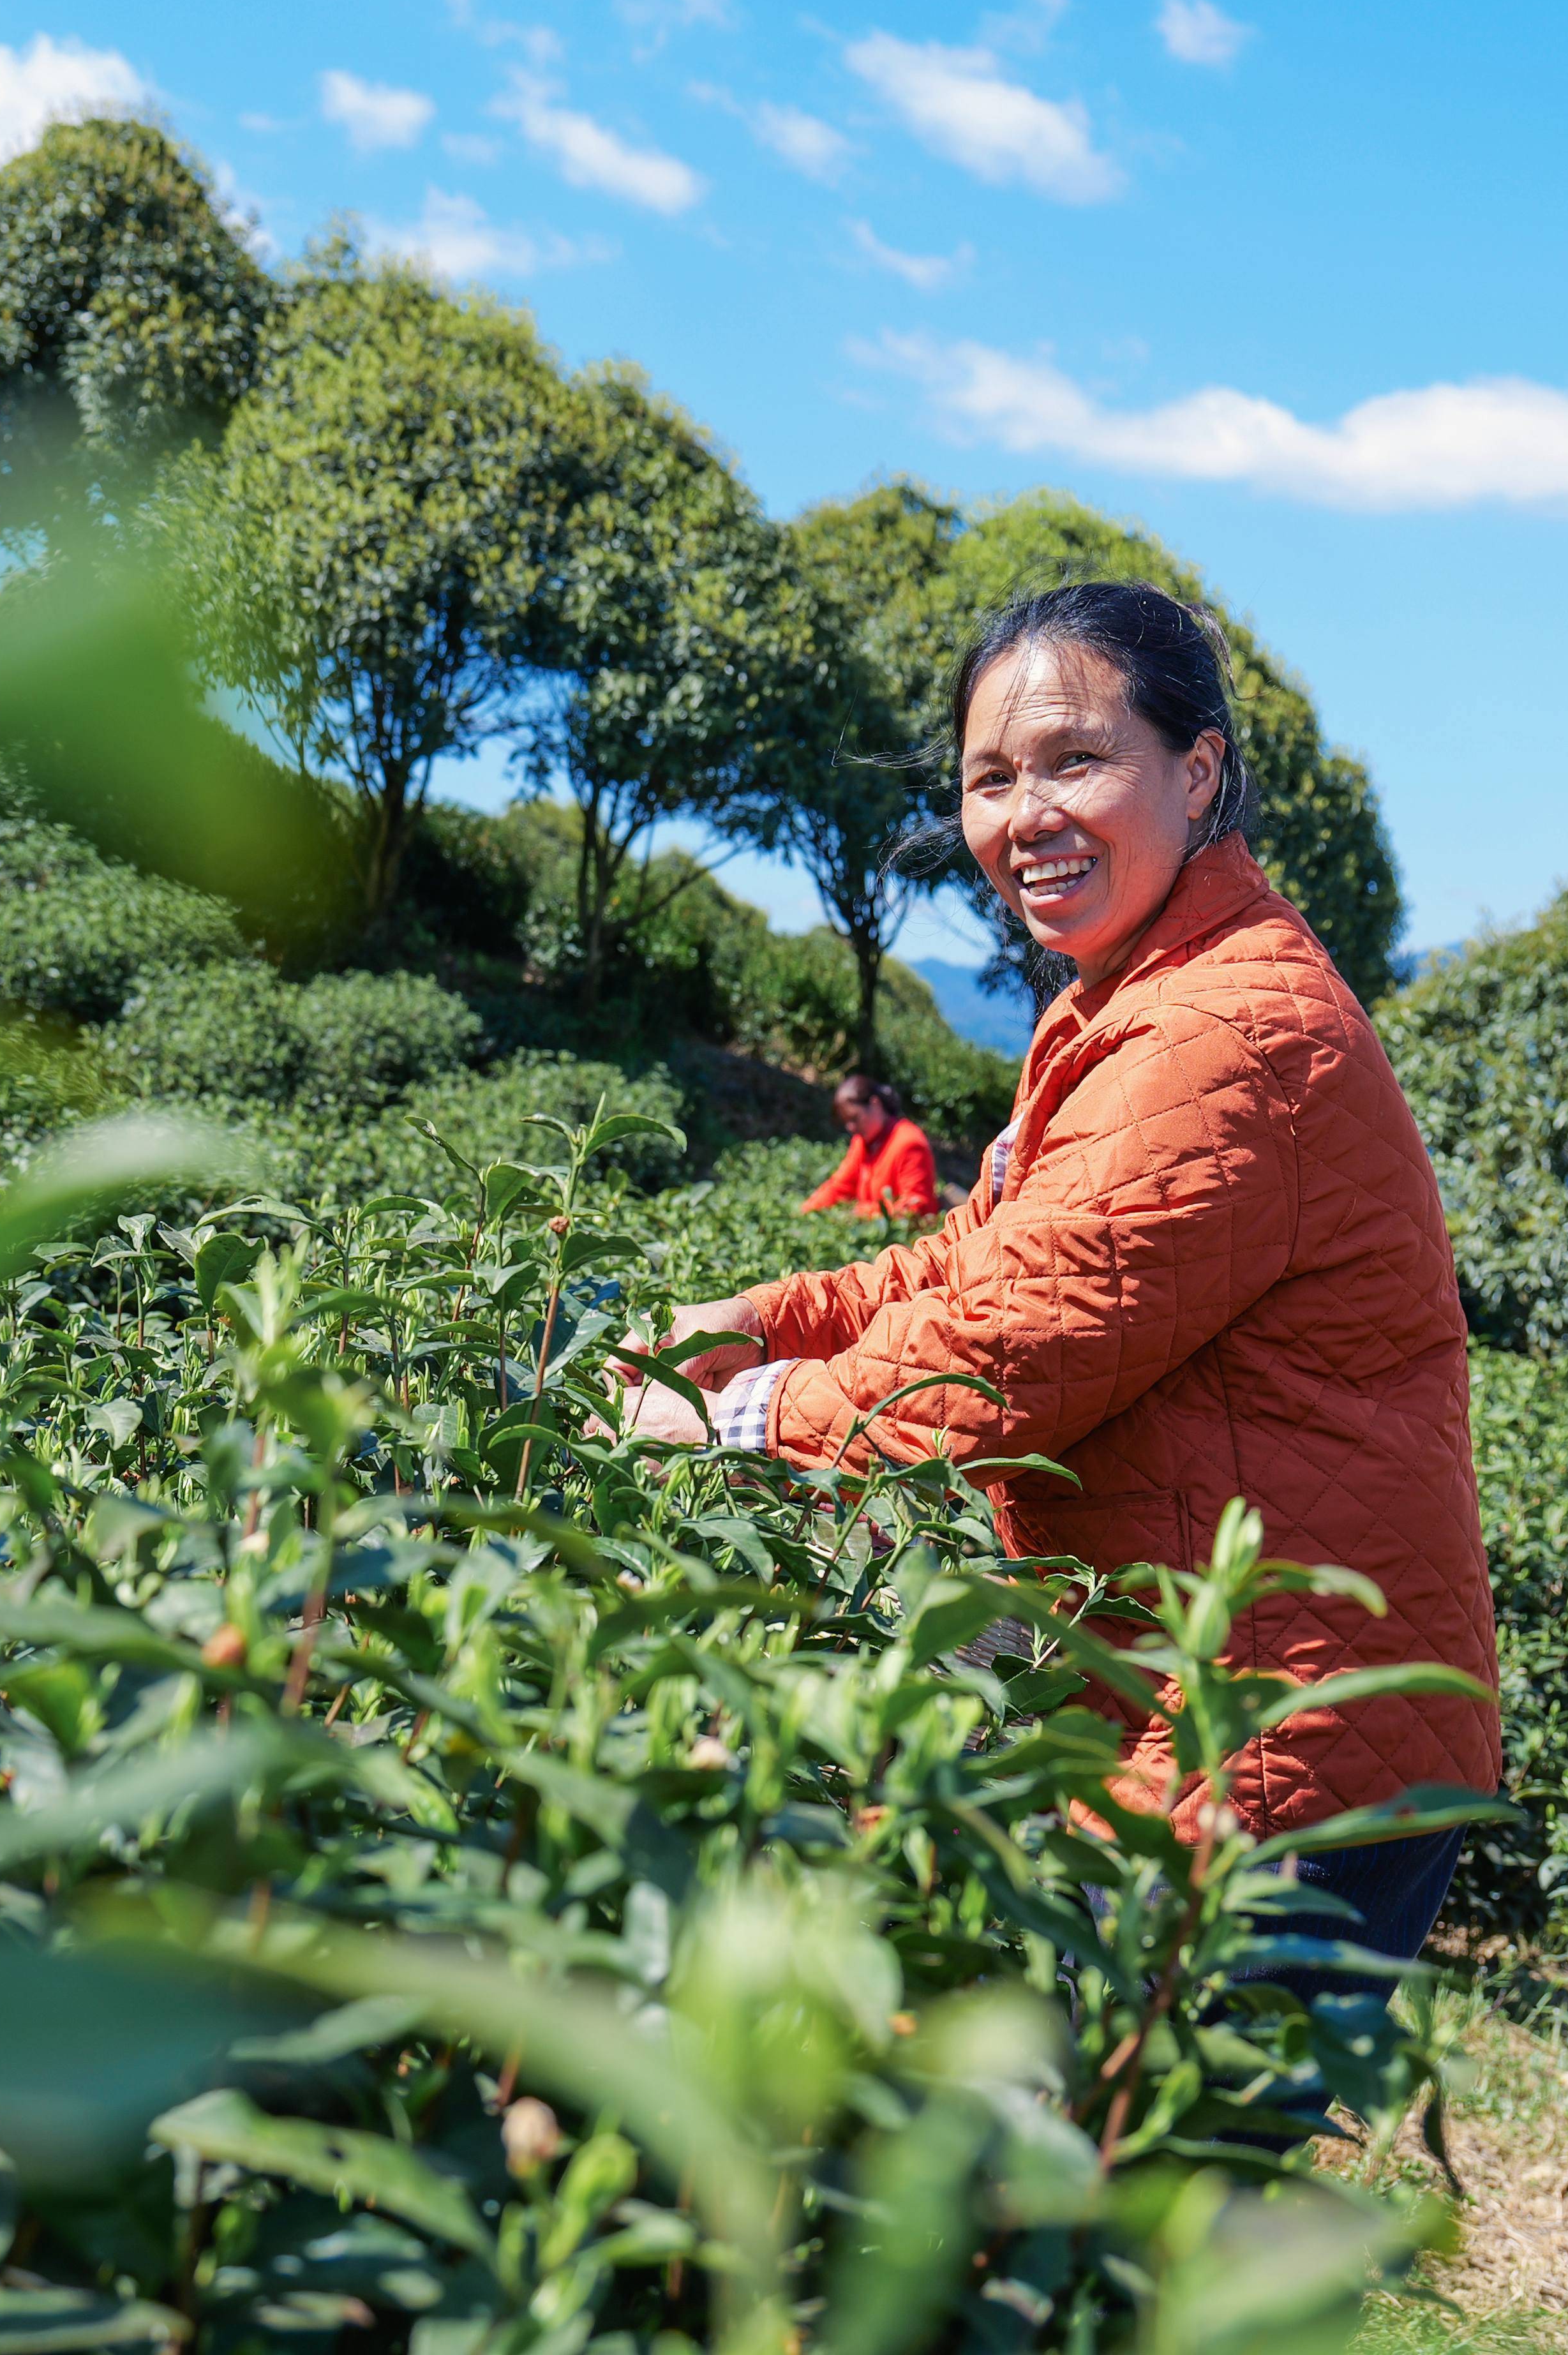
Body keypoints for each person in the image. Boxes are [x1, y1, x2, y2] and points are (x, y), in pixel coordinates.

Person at [624, 581, 1498, 1973]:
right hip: (1206, 1711)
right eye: (990, 779)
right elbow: (991, 1249)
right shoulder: (1130, 995)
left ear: (1197, 771)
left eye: (1075, 760)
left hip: (1269, 1755)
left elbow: (1013, 1341)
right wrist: (762, 1319)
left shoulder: (1219, 1032)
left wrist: (739, 1416)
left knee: (1094, 2111)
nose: (1024, 814)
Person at [798, 1075, 938, 1218]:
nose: (851, 1127)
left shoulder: (909, 1143)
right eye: (846, 1122)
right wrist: (807, 1210)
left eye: (854, 1118)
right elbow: (841, 1186)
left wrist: (861, 1213)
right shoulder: (862, 1142)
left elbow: (917, 1207)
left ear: (875, 1104)